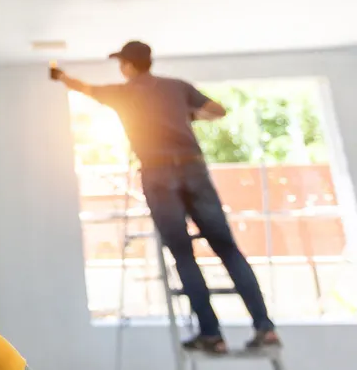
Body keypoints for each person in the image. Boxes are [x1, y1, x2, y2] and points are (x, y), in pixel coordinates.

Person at [51, 40, 281, 354]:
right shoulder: (176, 87)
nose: (121, 68)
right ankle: (265, 328)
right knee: (227, 248)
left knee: (183, 254)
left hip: (158, 174)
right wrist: (185, 117)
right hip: (193, 169)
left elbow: (83, 88)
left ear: (129, 66)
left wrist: (59, 75)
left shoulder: (121, 93)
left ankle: (212, 336)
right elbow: (217, 111)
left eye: (122, 63)